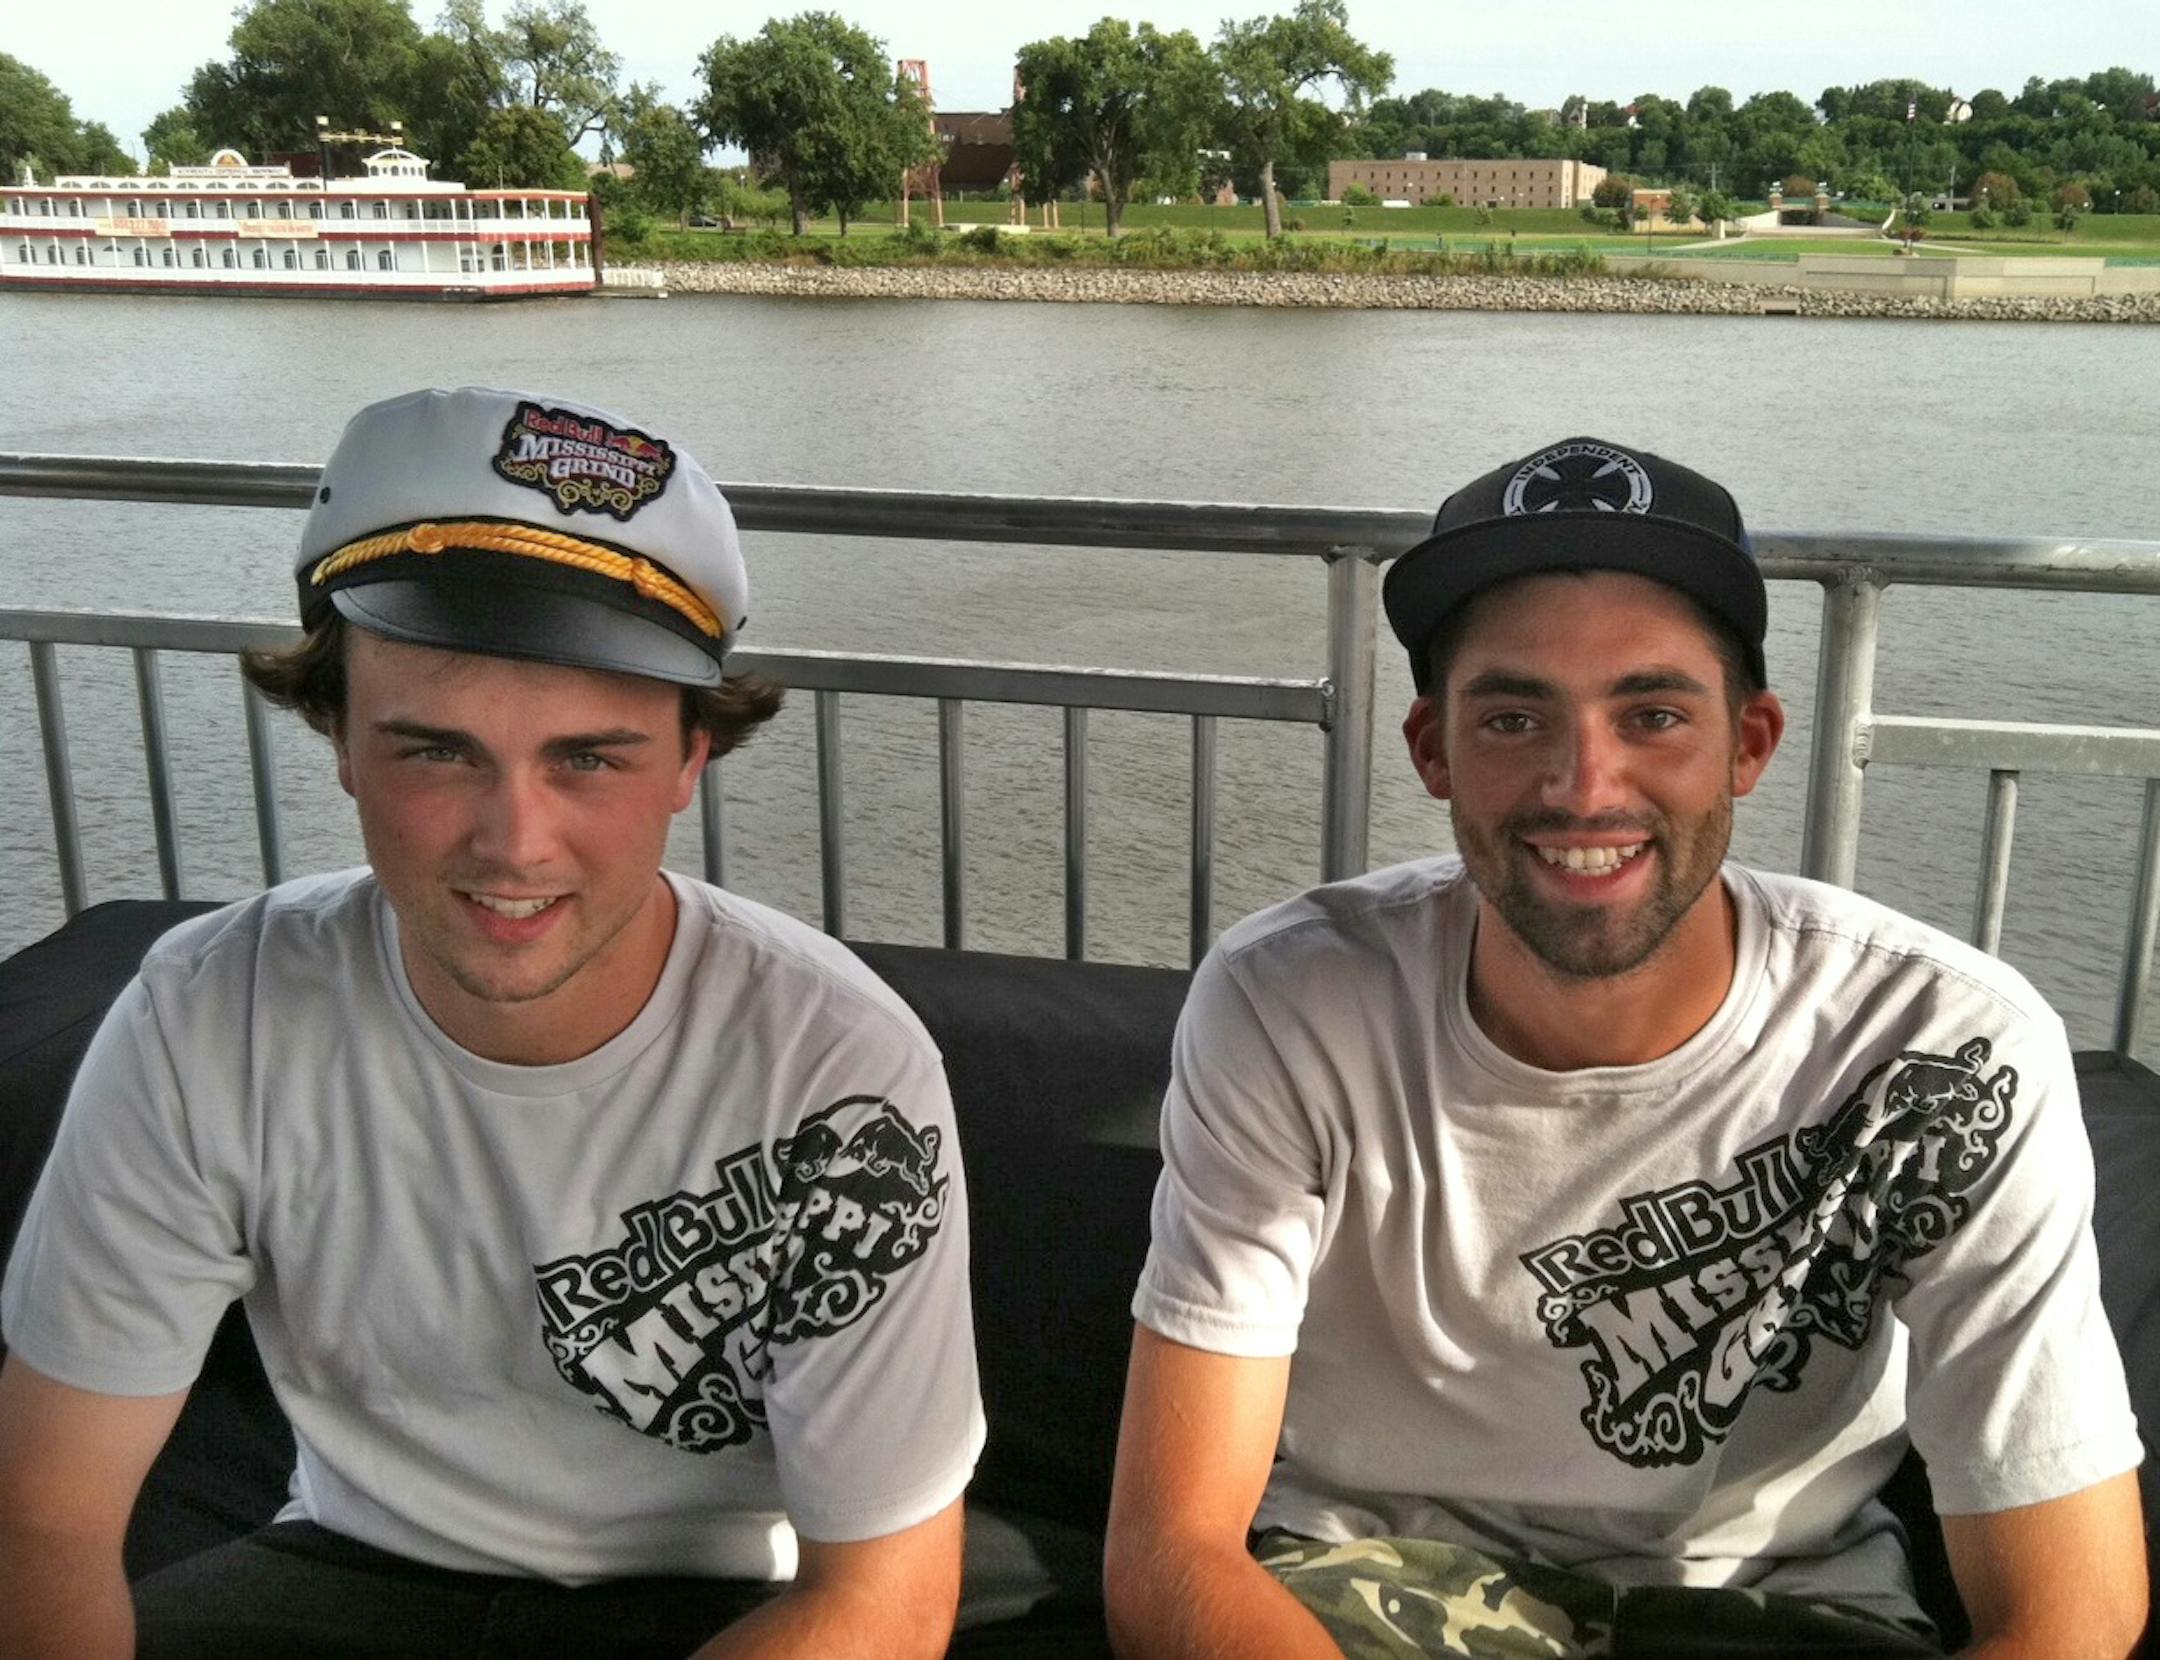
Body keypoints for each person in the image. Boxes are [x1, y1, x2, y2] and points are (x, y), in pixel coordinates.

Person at [1103, 436, 2147, 1658]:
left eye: (1652, 713)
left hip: (1775, 1601)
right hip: (1365, 1589)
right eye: (1512, 716)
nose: (1582, 785)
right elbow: (1171, 1546)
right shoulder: (1290, 1004)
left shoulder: (1943, 1049)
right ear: (1432, 751)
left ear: (1749, 743)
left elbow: (2071, 1608)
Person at [0, 387, 984, 1660]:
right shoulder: (209, 1015)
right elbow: (47, 1516)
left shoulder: (839, 1069)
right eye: (436, 752)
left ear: (693, 759)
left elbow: (881, 1599)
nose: (513, 844)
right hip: (351, 1569)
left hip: (721, 1596)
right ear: (338, 737)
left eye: (589, 758)